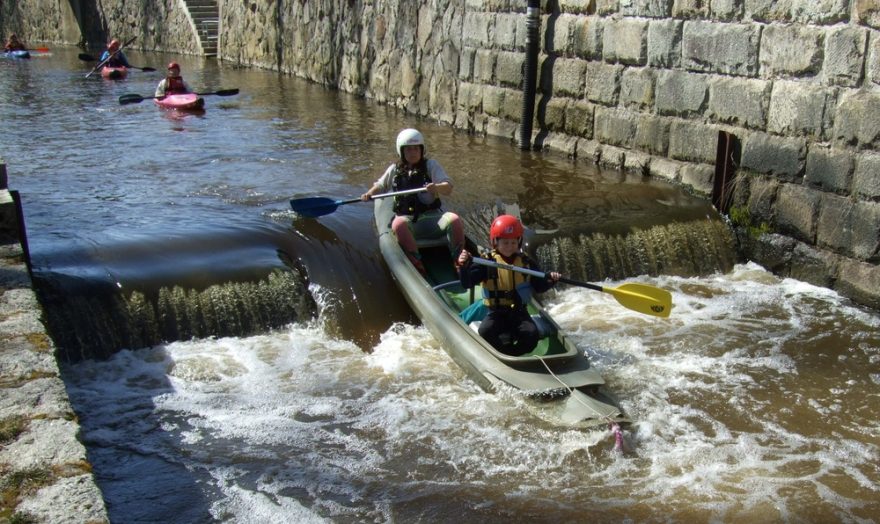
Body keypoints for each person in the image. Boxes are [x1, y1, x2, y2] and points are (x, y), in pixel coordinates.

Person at [361, 128, 465, 274]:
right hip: (409, 222)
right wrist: (369, 194)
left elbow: (448, 188)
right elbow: (381, 185)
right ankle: (416, 264)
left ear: (422, 150)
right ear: (402, 152)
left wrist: (436, 187)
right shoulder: (394, 169)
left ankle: (459, 261)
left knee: (454, 219)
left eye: (416, 149)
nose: (413, 153)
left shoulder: (431, 166)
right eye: (408, 150)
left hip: (432, 219)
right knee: (398, 224)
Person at [457, 215, 561, 356]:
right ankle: (502, 354)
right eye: (505, 243)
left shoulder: (526, 263)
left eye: (513, 243)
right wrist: (463, 267)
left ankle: (513, 355)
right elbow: (467, 283)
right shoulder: (485, 262)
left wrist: (551, 280)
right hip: (495, 312)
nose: (509, 247)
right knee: (485, 332)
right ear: (495, 242)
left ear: (519, 242)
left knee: (531, 335)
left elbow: (539, 287)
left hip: (519, 312)